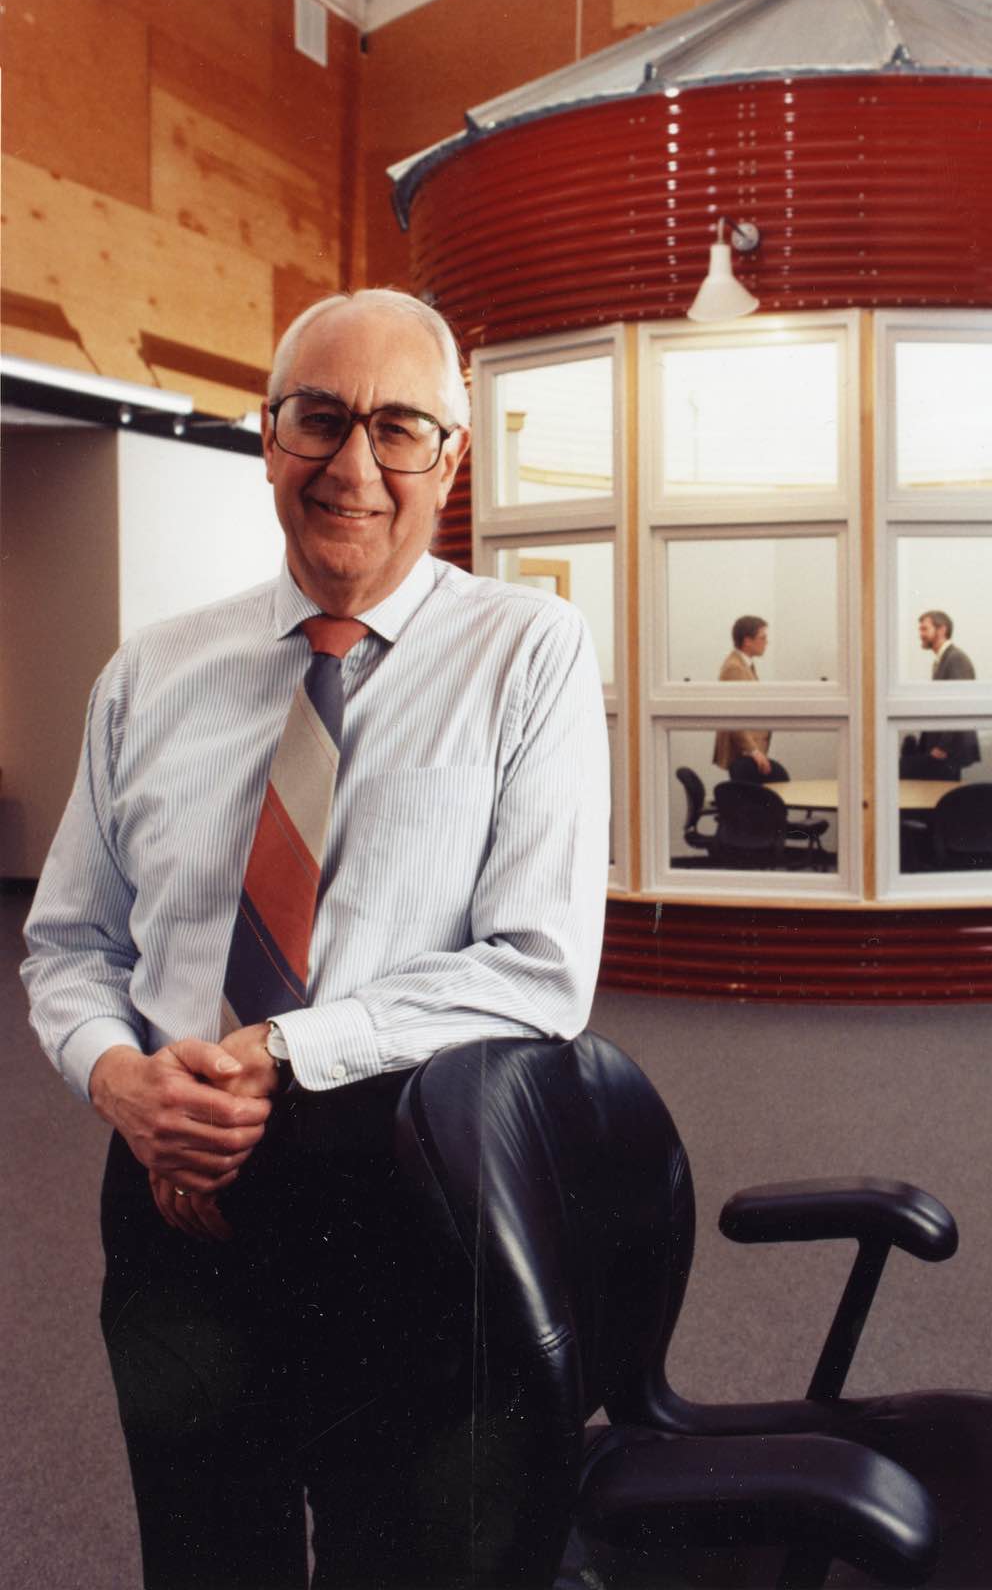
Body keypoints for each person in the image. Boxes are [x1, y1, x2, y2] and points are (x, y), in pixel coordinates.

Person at [21, 288, 610, 1588]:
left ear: (450, 460)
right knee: (202, 1552)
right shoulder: (149, 674)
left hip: (402, 1194)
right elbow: (66, 942)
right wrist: (123, 1083)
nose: (354, 467)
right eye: (319, 420)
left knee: (398, 1557)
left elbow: (542, 966)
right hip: (173, 1187)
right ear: (267, 437)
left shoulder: (530, 654)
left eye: (399, 428)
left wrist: (275, 1049)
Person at [900, 608, 981, 779]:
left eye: (924, 629)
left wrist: (943, 746)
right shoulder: (943, 660)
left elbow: (959, 705)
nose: (920, 634)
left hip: (948, 750)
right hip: (942, 747)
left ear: (942, 629)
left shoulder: (956, 659)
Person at [712, 614, 787, 782]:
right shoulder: (734, 668)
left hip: (750, 751)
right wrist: (752, 751)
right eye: (763, 638)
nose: (766, 642)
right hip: (743, 753)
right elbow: (733, 714)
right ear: (747, 641)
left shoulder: (745, 664)